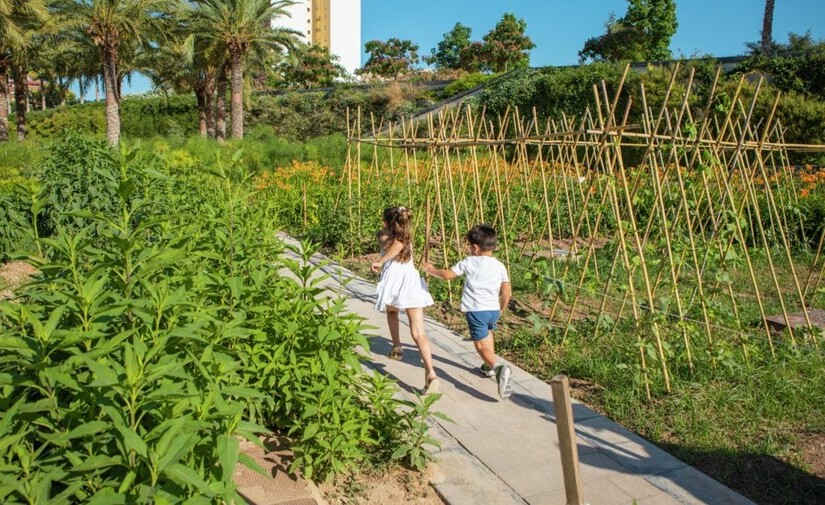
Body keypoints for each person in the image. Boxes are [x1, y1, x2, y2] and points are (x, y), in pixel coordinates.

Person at [421, 224, 513, 400]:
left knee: (480, 346)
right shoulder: (499, 265)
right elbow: (507, 292)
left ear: (475, 248)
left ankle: (498, 367)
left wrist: (431, 270)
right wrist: (501, 308)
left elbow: (448, 275)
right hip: (493, 309)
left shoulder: (469, 262)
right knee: (488, 334)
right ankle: (488, 367)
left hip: (476, 310)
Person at [371, 206, 439, 395]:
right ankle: (430, 372)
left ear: (387, 223)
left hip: (396, 281)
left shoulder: (389, 239)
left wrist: (380, 261)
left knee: (392, 311)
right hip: (411, 280)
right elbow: (399, 243)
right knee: (418, 332)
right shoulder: (406, 238)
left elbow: (395, 245)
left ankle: (397, 345)